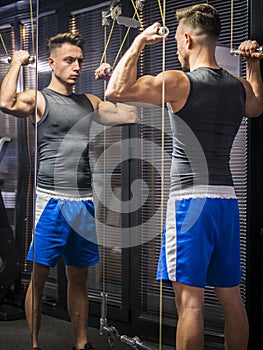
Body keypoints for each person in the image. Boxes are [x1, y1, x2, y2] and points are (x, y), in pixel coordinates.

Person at [102, 3, 263, 350]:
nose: (176, 47)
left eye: (176, 40)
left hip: (190, 204)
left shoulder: (179, 81)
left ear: (187, 39)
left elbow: (115, 90)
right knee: (232, 300)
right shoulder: (238, 87)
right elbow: (257, 106)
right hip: (227, 203)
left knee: (190, 304)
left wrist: (141, 41)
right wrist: (252, 66)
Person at [0, 32, 137, 350]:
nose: (76, 66)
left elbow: (128, 115)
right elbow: (5, 102)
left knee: (79, 278)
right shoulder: (39, 98)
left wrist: (112, 81)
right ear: (52, 63)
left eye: (79, 61)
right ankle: (34, 344)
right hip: (50, 201)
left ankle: (81, 343)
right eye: (69, 60)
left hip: (84, 202)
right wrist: (18, 63)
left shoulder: (90, 102)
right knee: (39, 277)